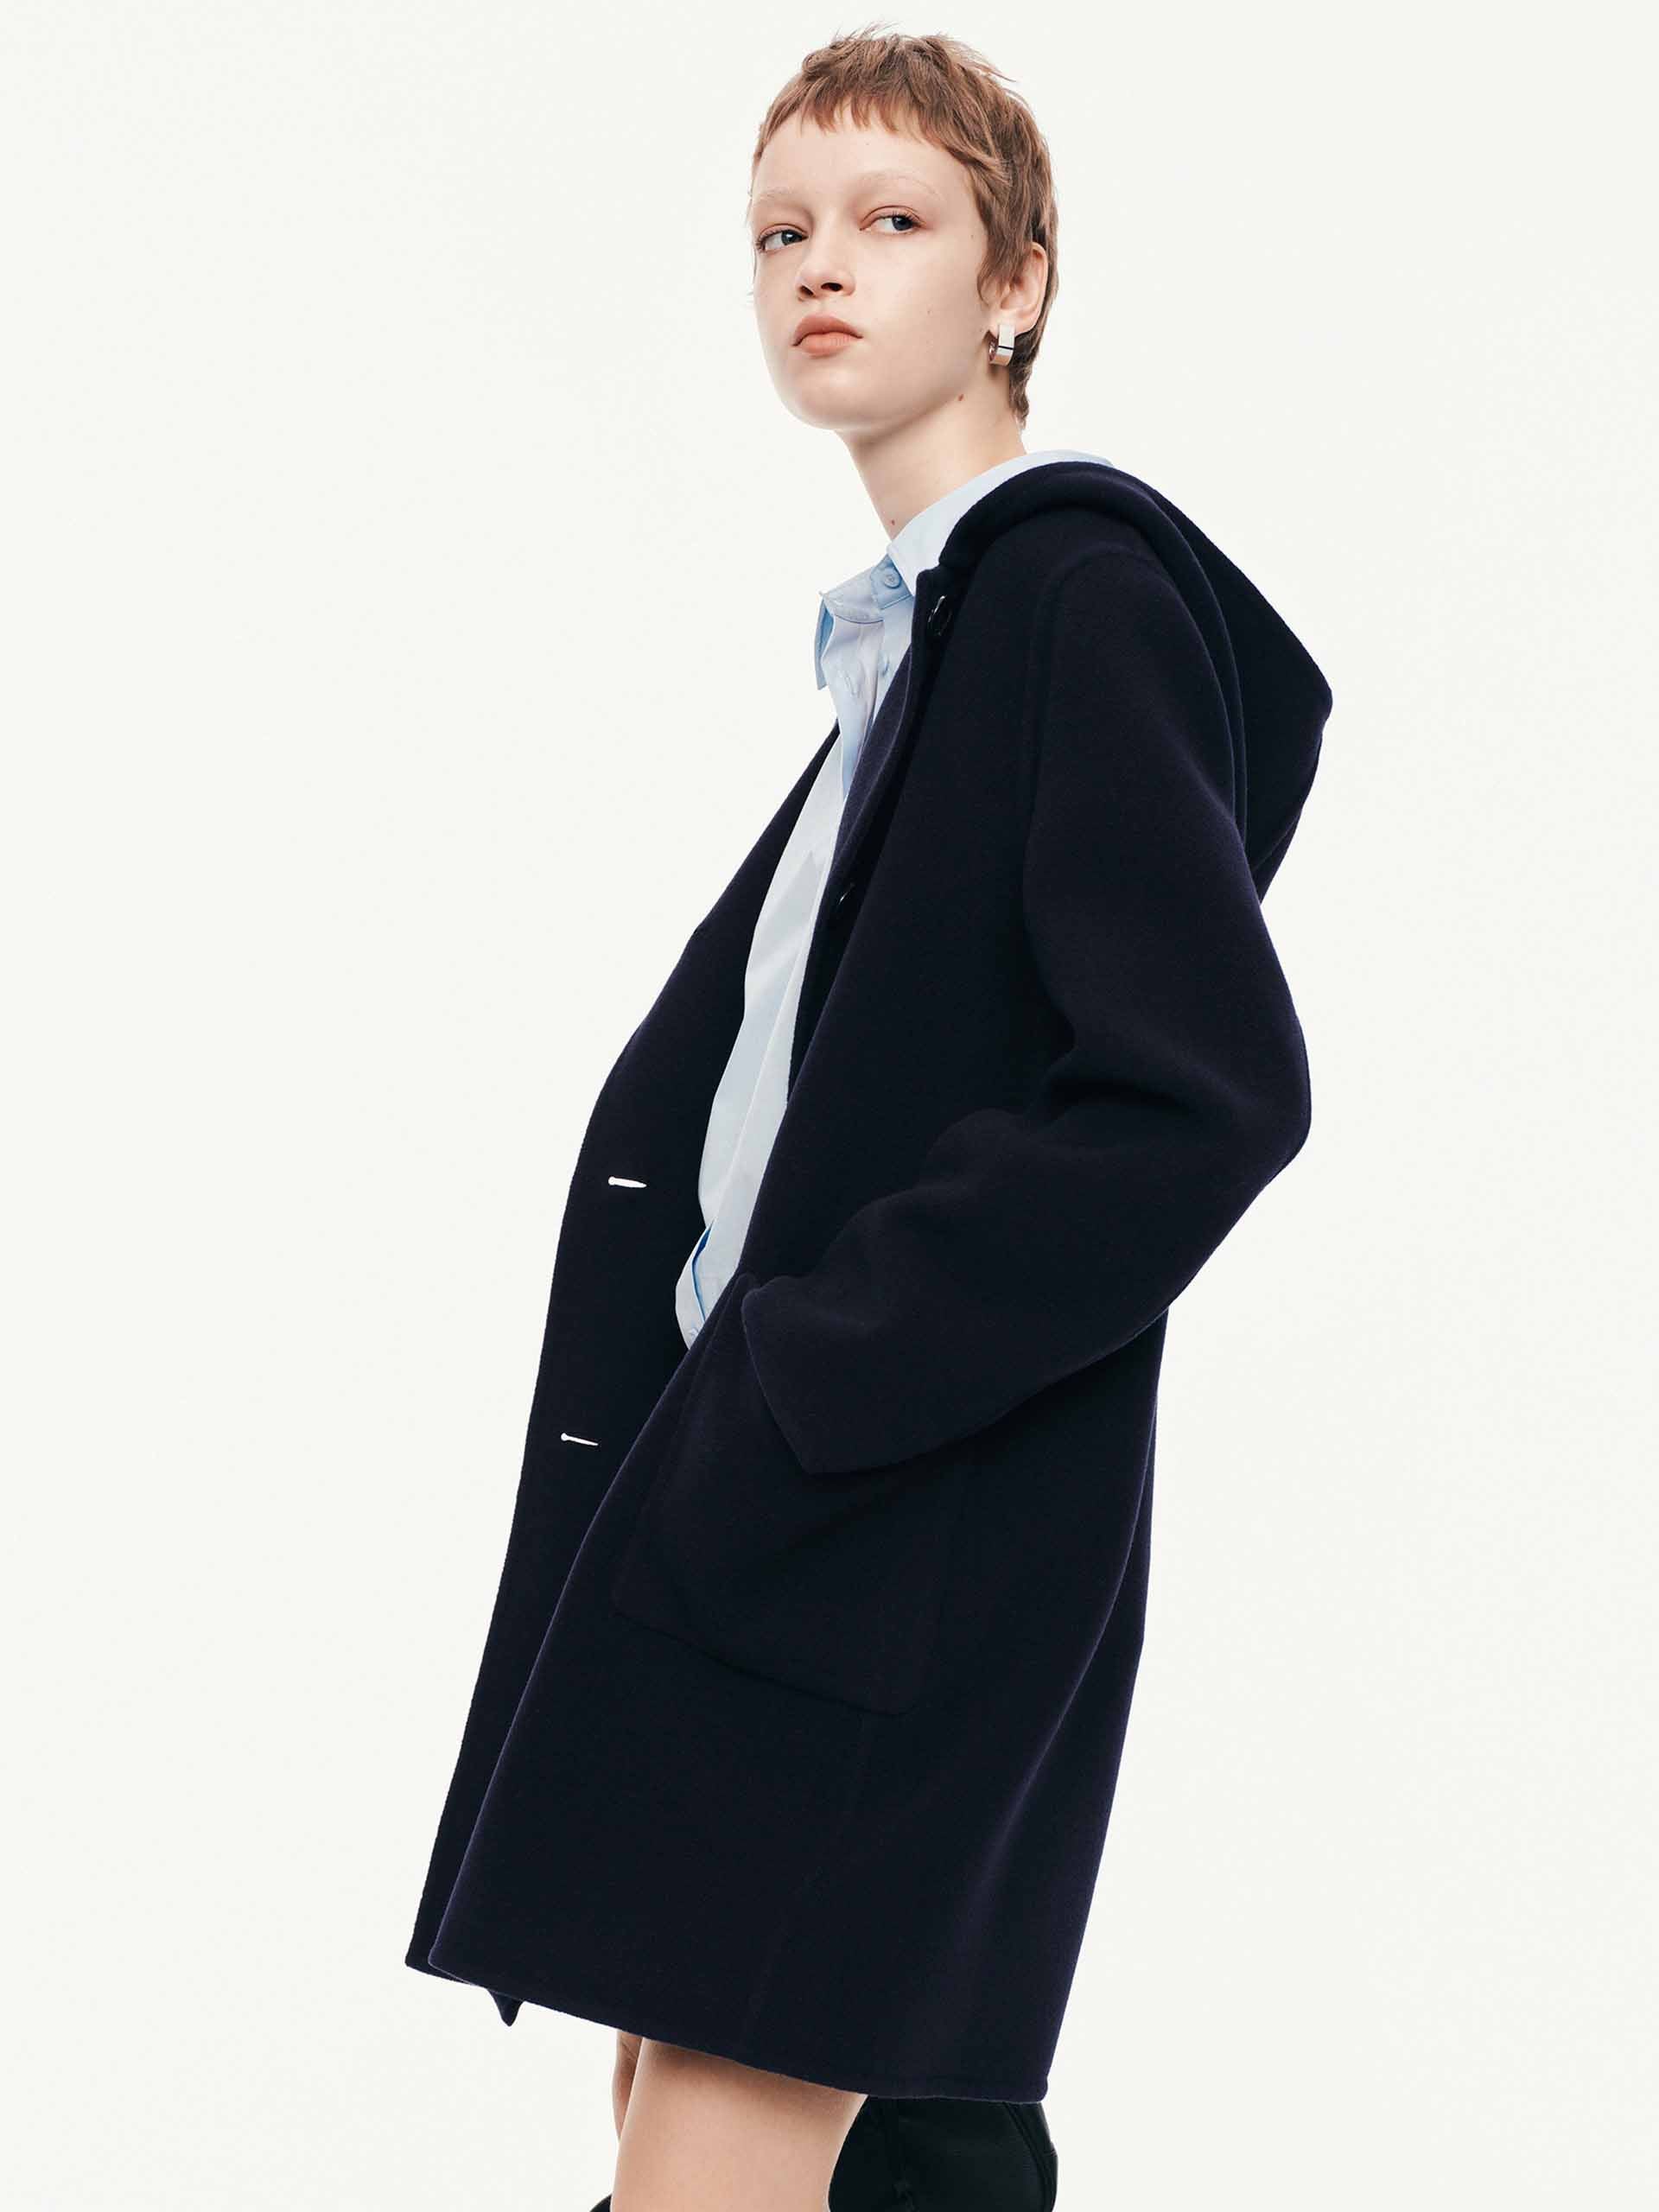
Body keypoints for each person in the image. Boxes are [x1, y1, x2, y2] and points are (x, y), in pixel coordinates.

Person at [404, 29, 1332, 2212]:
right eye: (780, 231)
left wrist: (814, 1366)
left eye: (893, 220)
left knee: (707, 2165)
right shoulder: (910, 658)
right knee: (842, 2153)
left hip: (868, 1540)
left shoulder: (1071, 597)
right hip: (780, 1542)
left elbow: (1203, 1091)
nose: (820, 266)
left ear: (1015, 284)